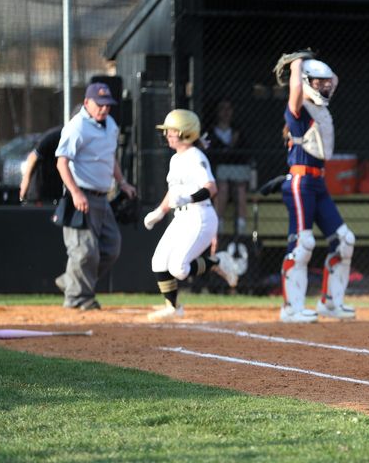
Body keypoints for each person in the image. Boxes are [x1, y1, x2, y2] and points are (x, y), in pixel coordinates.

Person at [274, 49, 356, 322]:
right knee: (303, 244)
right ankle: (290, 308)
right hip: (300, 182)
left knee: (345, 241)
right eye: (317, 82)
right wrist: (297, 63)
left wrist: (313, 65)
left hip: (318, 182)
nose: (325, 86)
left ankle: (330, 303)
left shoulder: (320, 107)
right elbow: (297, 87)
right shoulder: (297, 111)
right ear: (306, 82)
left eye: (325, 83)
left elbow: (334, 78)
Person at [142, 109, 238, 320]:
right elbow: (173, 192)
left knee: (179, 268)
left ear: (186, 132)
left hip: (200, 216)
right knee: (158, 261)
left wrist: (189, 198)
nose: (168, 135)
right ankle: (173, 307)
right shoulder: (176, 158)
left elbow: (211, 188)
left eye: (172, 131)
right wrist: (159, 212)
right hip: (182, 217)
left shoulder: (196, 156)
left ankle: (217, 262)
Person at [54, 83, 137, 310]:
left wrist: (122, 182)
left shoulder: (110, 125)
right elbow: (62, 162)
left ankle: (72, 282)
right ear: (87, 103)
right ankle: (77, 298)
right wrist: (75, 192)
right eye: (99, 105)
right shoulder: (77, 126)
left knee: (111, 247)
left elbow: (110, 158)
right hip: (81, 195)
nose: (104, 109)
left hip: (103, 196)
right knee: (84, 251)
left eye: (107, 105)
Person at [207, 99, 252, 235]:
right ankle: (218, 226)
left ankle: (241, 227)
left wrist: (231, 149)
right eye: (222, 109)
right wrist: (227, 149)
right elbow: (214, 156)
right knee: (223, 187)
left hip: (236, 173)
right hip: (220, 174)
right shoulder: (210, 132)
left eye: (229, 109)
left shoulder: (237, 131)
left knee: (240, 189)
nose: (226, 112)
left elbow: (243, 155)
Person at [19, 125, 63, 205]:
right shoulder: (55, 135)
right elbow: (32, 157)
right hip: (39, 188)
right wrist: (25, 182)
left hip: (54, 188)